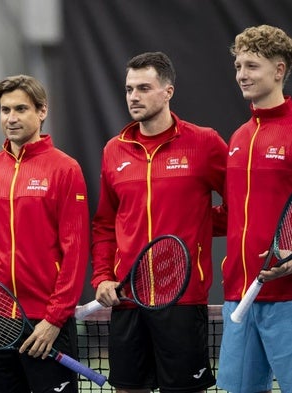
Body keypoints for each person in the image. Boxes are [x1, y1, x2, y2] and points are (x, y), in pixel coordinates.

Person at [91, 52, 226, 392]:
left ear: (168, 92)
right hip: (127, 298)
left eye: (144, 88)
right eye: (128, 89)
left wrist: (199, 223)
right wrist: (103, 276)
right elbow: (106, 223)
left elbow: (242, 205)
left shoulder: (204, 143)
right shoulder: (113, 150)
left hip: (182, 299)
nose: (133, 96)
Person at [0, 74, 90, 393]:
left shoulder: (66, 170)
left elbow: (76, 253)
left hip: (44, 323)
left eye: (20, 109)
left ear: (42, 111)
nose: (11, 118)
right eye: (4, 110)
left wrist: (54, 319)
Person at [217, 25, 292, 393]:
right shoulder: (239, 137)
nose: (241, 75)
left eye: (252, 66)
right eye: (237, 66)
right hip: (239, 294)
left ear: (279, 71)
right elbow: (235, 212)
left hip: (288, 296)